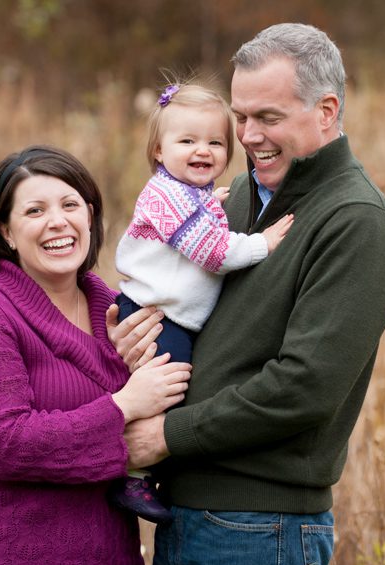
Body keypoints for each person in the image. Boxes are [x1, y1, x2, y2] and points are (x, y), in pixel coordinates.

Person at [110, 23, 385, 565]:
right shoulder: (236, 195)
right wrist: (134, 336)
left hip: (261, 527)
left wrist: (167, 435)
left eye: (268, 117)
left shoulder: (356, 221)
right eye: (240, 118)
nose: (247, 137)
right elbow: (189, 308)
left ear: (326, 110)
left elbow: (303, 386)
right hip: (182, 516)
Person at [0, 145, 192, 565]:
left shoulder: (125, 314)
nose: (57, 222)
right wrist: (123, 406)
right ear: (5, 230)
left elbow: (162, 422)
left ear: (89, 215)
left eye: (69, 205)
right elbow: (2, 442)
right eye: (35, 210)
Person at [109, 82, 293, 523]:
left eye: (215, 142)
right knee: (165, 392)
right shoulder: (168, 195)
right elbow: (212, 251)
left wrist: (210, 203)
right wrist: (261, 245)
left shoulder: (188, 193)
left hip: (170, 311)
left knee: (173, 387)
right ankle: (133, 474)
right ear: (158, 150)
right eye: (187, 141)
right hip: (158, 315)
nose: (203, 150)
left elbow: (196, 218)